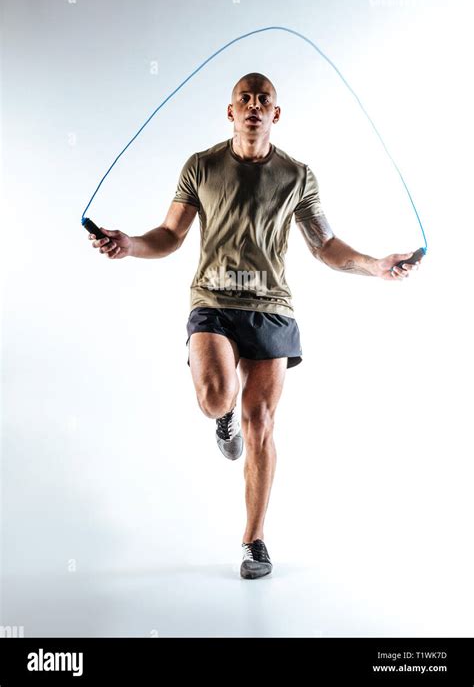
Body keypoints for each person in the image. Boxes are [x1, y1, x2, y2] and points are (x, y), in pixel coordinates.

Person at [87, 72, 421, 580]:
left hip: (272, 308)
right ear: (230, 111)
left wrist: (376, 265)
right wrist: (129, 243)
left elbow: (326, 246)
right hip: (213, 301)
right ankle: (222, 419)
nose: (253, 105)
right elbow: (170, 234)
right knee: (217, 399)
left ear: (275, 114)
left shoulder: (298, 176)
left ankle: (254, 540)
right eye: (244, 98)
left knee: (261, 422)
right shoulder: (201, 166)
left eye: (264, 99)